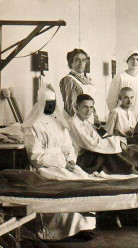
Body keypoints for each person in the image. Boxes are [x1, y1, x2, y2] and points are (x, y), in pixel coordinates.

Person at [22, 83, 95, 241]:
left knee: (85, 180)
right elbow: (36, 156)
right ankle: (59, 229)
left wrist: (70, 160)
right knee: (68, 183)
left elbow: (68, 146)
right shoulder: (33, 124)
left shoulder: (58, 121)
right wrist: (62, 163)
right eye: (47, 103)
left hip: (64, 163)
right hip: (44, 167)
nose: (50, 106)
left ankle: (84, 225)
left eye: (52, 103)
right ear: (41, 103)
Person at [68, 94, 137, 174]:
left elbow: (98, 139)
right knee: (109, 154)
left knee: (114, 152)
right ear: (76, 107)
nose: (88, 111)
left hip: (90, 152)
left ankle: (131, 167)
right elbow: (92, 144)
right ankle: (130, 169)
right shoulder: (73, 123)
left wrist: (118, 141)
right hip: (80, 158)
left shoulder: (86, 123)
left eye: (91, 107)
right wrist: (118, 140)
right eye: (85, 107)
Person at [107, 50, 138, 119]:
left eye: (137, 59)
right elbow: (111, 99)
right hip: (123, 116)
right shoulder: (120, 77)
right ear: (127, 60)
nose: (135, 62)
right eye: (132, 59)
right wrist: (115, 115)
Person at [59, 48, 99, 124]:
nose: (81, 63)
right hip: (75, 122)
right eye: (77, 60)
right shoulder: (68, 80)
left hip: (88, 121)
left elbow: (92, 103)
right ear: (71, 63)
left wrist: (95, 118)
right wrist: (80, 125)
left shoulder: (87, 80)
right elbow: (70, 107)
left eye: (83, 60)